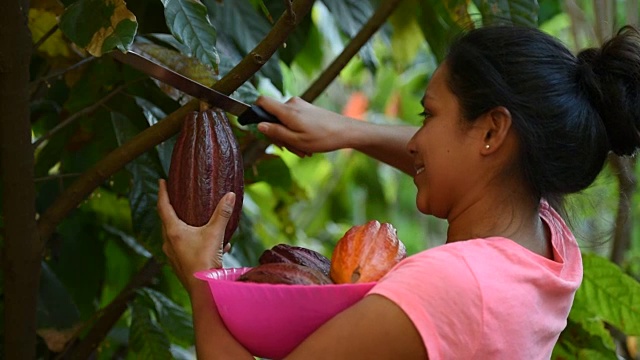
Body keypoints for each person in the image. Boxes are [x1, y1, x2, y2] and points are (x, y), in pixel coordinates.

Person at [157, 24, 640, 359]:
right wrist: (349, 130)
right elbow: (467, 163)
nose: (414, 142)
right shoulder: (545, 249)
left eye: (427, 115)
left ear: (492, 132)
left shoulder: (448, 286)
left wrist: (203, 283)